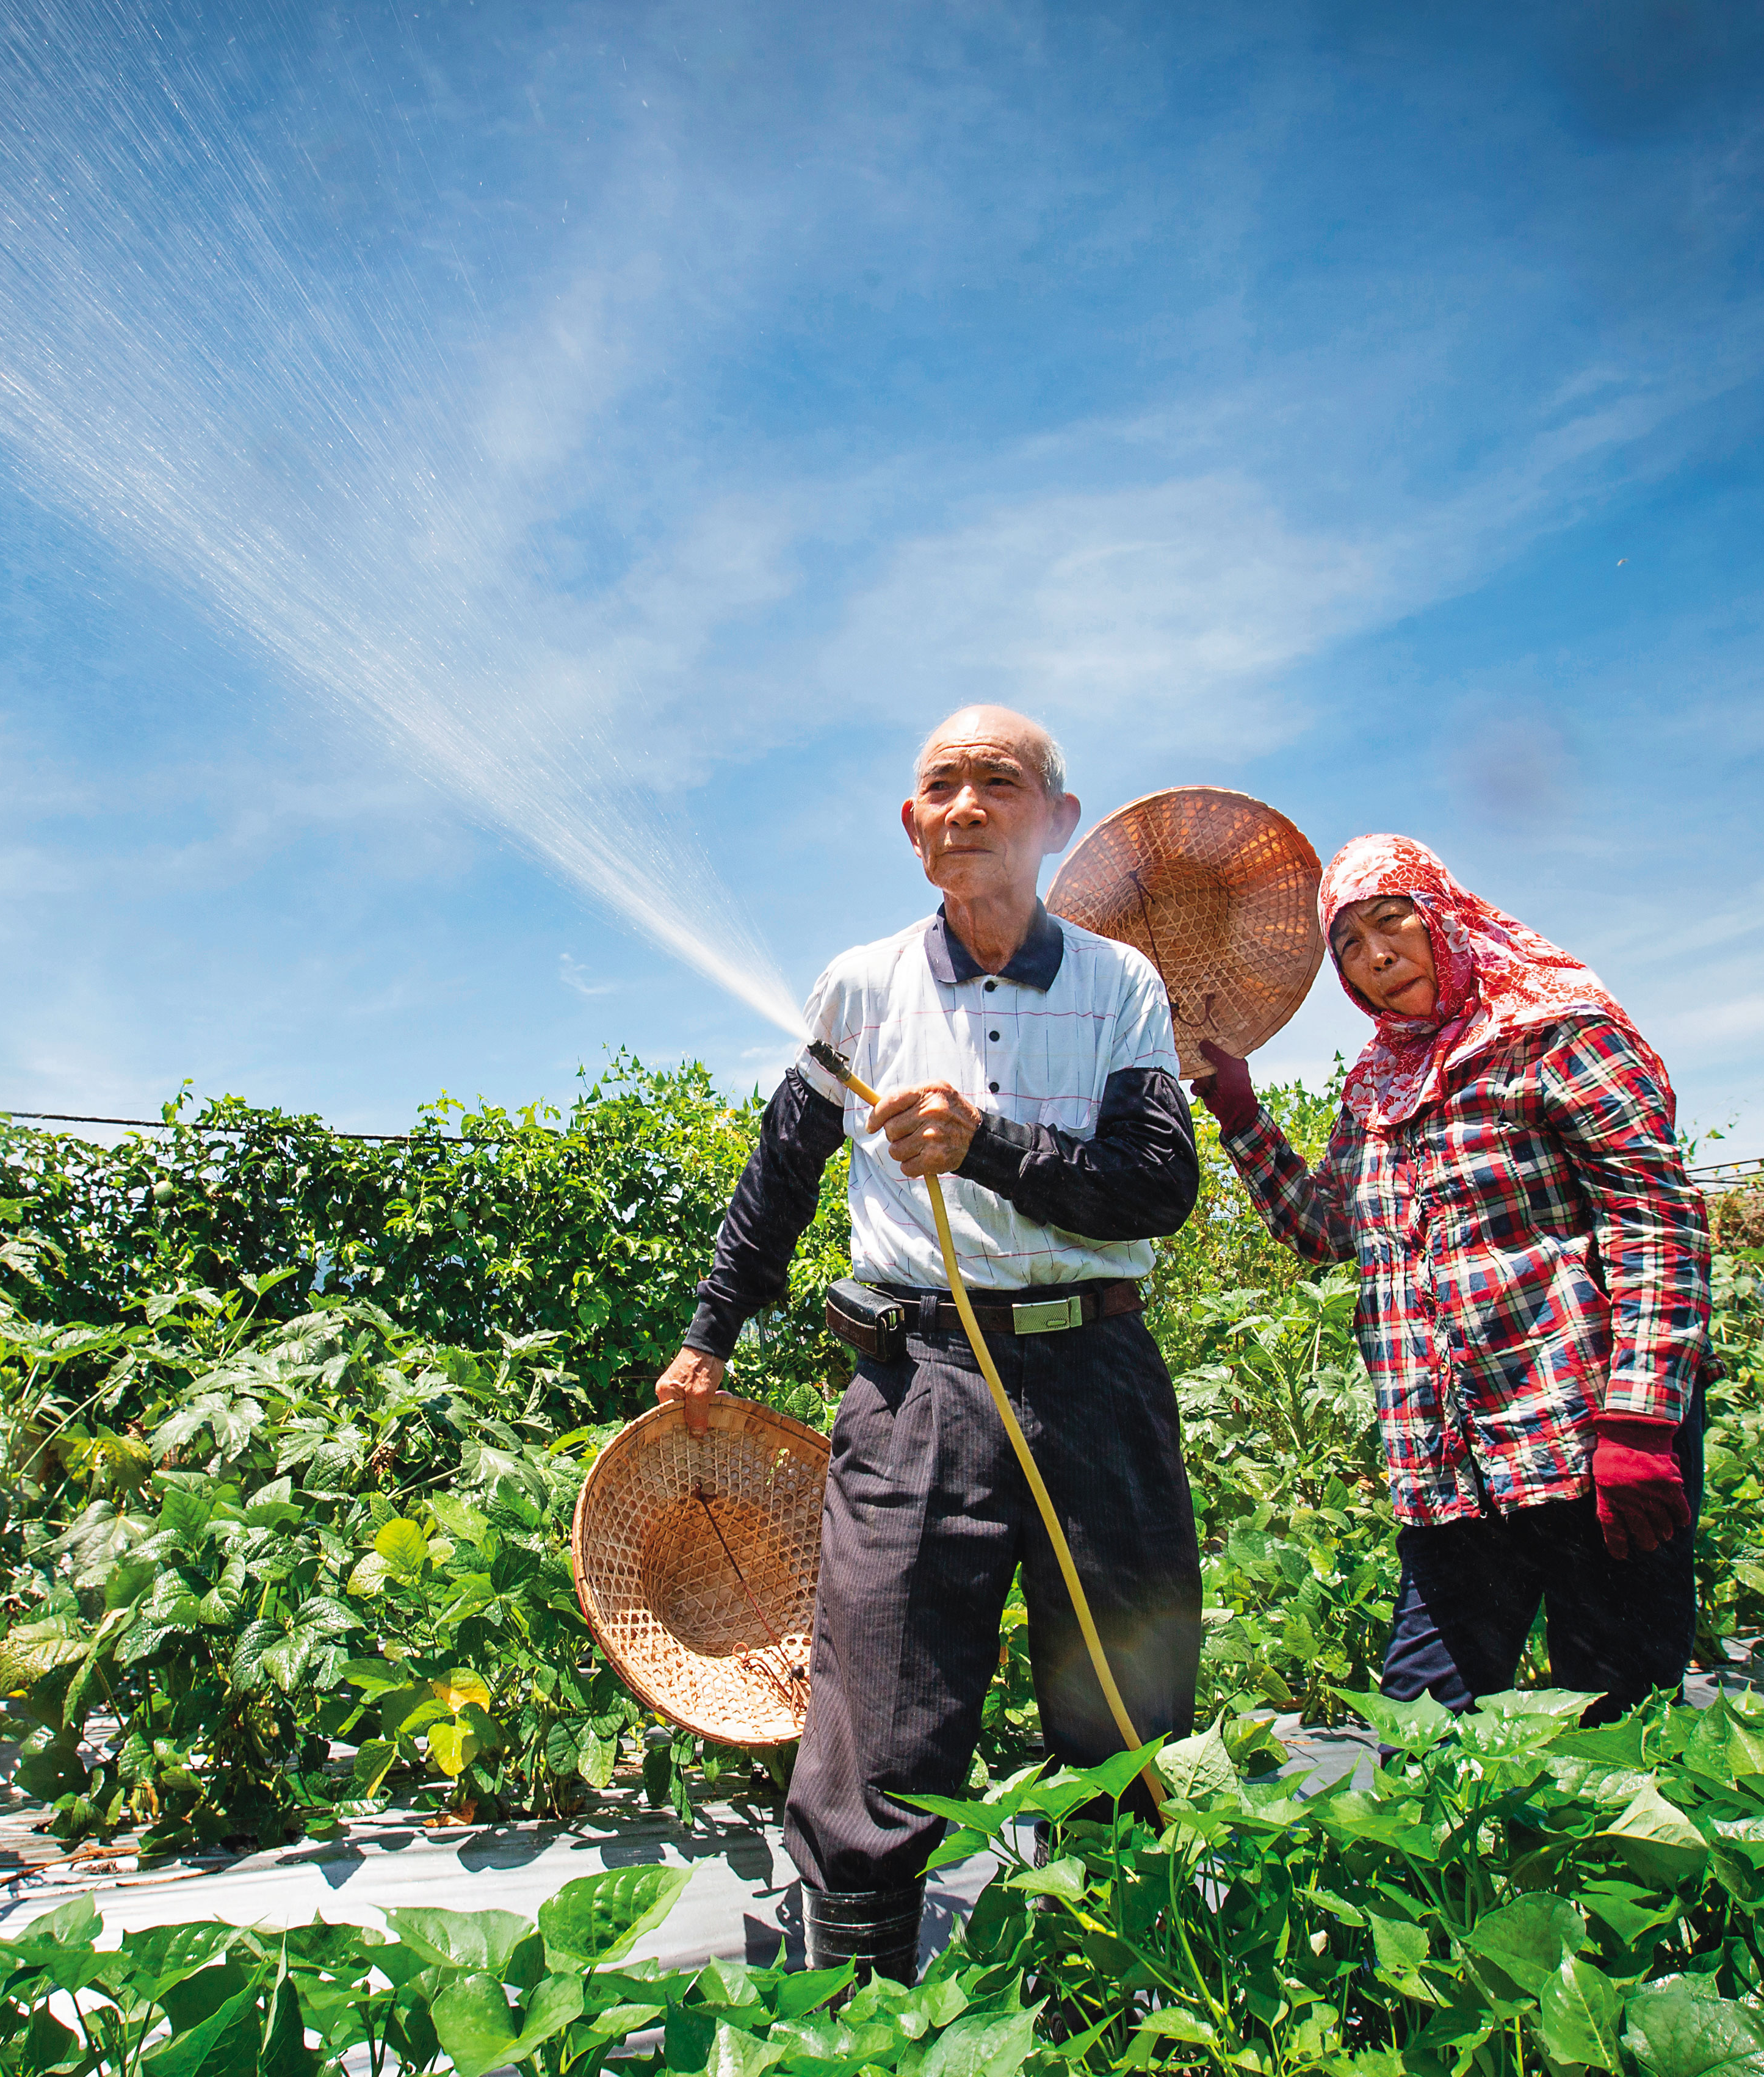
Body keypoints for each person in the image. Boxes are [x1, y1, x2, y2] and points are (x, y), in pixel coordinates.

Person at [654, 704, 1202, 1984]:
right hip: (921, 1384)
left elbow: (1156, 1188)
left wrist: (988, 1147)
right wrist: (708, 1335)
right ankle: (859, 2018)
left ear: (1056, 822)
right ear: (911, 830)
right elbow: (778, 1178)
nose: (963, 806)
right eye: (938, 787)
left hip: (1096, 1375)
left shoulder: (1120, 985)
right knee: (882, 1690)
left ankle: (1129, 2014)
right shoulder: (862, 987)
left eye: (997, 783)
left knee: (1123, 1690)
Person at [1190, 834, 1708, 1721]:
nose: (1374, 956)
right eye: (1347, 944)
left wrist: (1640, 1420)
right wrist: (1240, 1111)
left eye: (1392, 923)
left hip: (1587, 1442)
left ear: (1445, 920)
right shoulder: (1377, 1080)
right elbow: (1331, 1229)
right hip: (1451, 1463)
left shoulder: (1555, 1031)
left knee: (1614, 1730)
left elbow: (1653, 1218)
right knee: (1421, 1727)